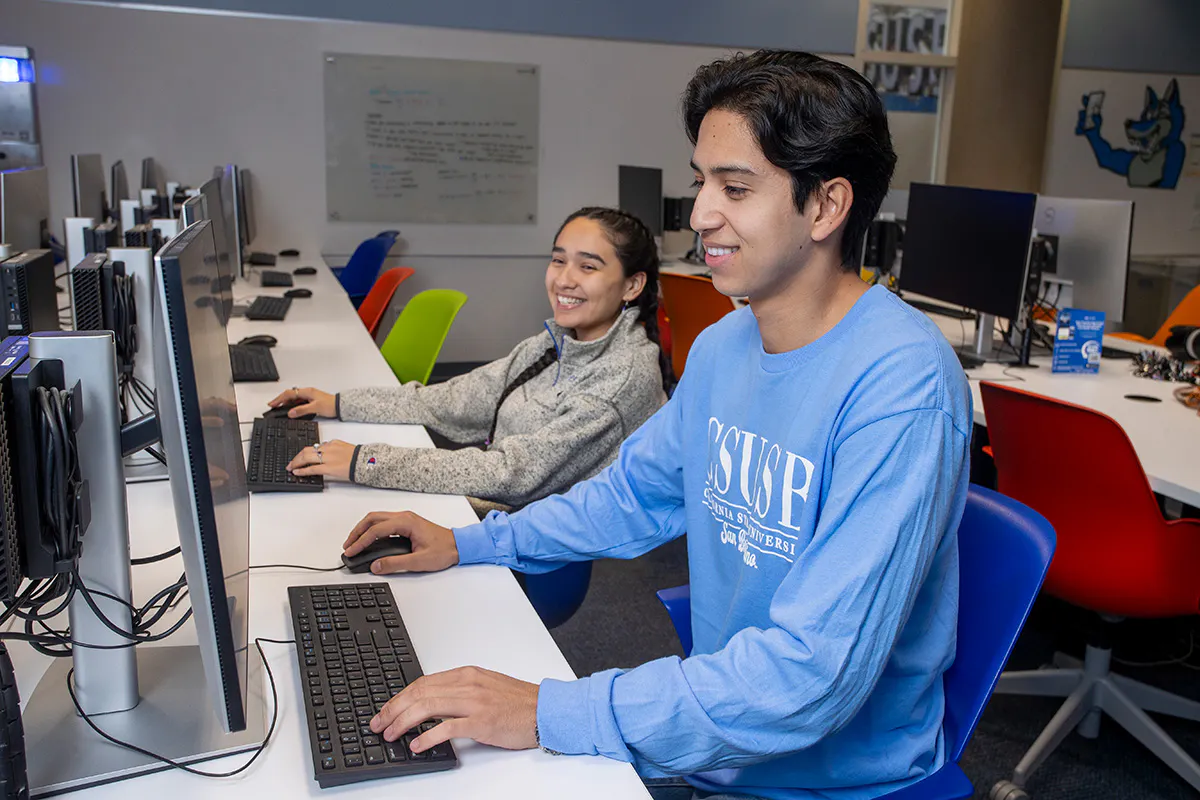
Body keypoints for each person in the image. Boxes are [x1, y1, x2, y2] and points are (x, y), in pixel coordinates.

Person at [341, 50, 973, 800]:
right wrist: (473, 541)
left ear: (826, 207)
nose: (701, 212)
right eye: (702, 180)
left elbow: (810, 677)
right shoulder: (722, 347)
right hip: (714, 742)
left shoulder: (901, 385)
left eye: (735, 187)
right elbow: (630, 497)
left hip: (825, 782)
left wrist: (550, 709)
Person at [269, 207, 670, 513]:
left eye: (588, 266)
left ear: (632, 285)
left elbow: (510, 474)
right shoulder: (557, 342)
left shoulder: (617, 381)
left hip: (525, 536)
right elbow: (457, 398)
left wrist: (365, 461)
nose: (564, 279)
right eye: (558, 260)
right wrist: (338, 403)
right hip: (492, 508)